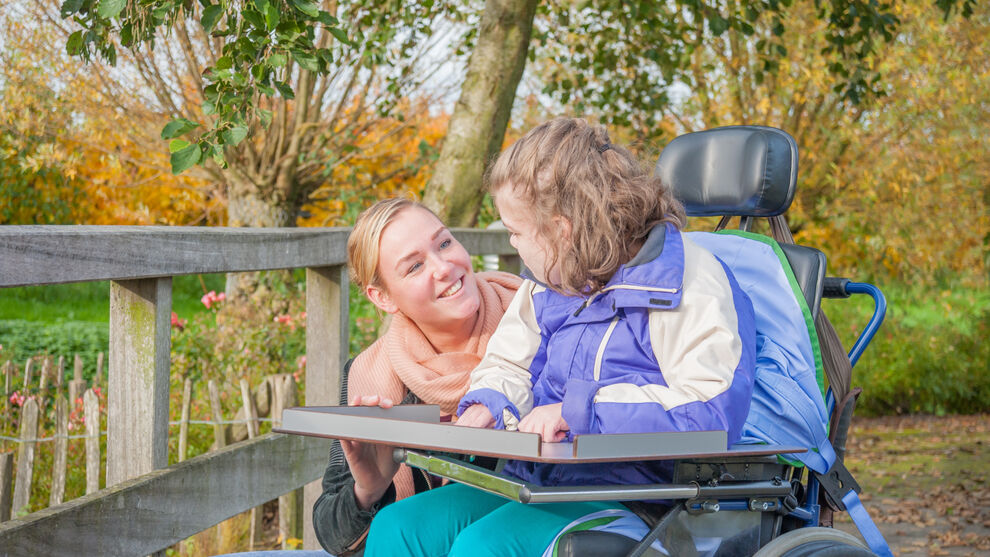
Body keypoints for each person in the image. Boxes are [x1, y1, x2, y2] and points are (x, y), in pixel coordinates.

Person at [362, 118, 758, 556]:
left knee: (484, 546)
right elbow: (509, 364)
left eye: (515, 232)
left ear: (560, 230)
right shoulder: (547, 283)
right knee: (400, 527)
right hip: (539, 479)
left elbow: (711, 408)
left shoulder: (689, 280)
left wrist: (579, 411)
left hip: (644, 497)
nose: (514, 246)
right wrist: (490, 403)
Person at [312, 198, 521, 555]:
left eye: (444, 243)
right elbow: (331, 531)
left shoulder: (537, 327)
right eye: (414, 267)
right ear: (382, 297)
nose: (444, 267)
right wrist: (369, 489)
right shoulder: (368, 375)